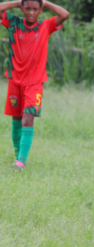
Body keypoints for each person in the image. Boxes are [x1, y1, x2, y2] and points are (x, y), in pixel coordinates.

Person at [0, 0, 69, 170]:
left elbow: (64, 14)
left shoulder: (45, 26)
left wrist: (45, 2)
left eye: (35, 9)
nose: (31, 12)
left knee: (27, 119)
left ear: (40, 10)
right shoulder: (14, 22)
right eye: (27, 8)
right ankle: (17, 157)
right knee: (16, 119)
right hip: (14, 81)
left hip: (34, 83)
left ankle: (21, 161)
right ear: (22, 8)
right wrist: (17, 2)